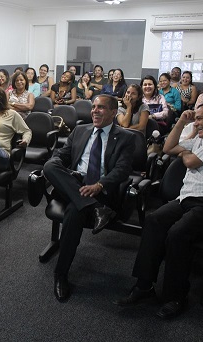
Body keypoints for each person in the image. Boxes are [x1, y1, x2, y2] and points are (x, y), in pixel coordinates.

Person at [115, 101, 203, 319]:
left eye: (201, 118)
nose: (197, 122)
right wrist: (182, 121)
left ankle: (175, 297)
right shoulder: (202, 138)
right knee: (154, 221)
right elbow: (168, 147)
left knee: (177, 234)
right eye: (196, 118)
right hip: (186, 198)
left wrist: (185, 154)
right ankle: (144, 286)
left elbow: (191, 162)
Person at [43, 94, 135, 302]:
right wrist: (58, 162)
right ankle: (95, 208)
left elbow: (122, 170)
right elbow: (62, 155)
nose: (95, 111)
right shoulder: (80, 130)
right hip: (75, 184)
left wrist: (99, 185)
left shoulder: (125, 137)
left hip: (102, 188)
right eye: (93, 107)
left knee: (75, 213)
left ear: (113, 112)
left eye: (101, 107)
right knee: (49, 165)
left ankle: (61, 274)